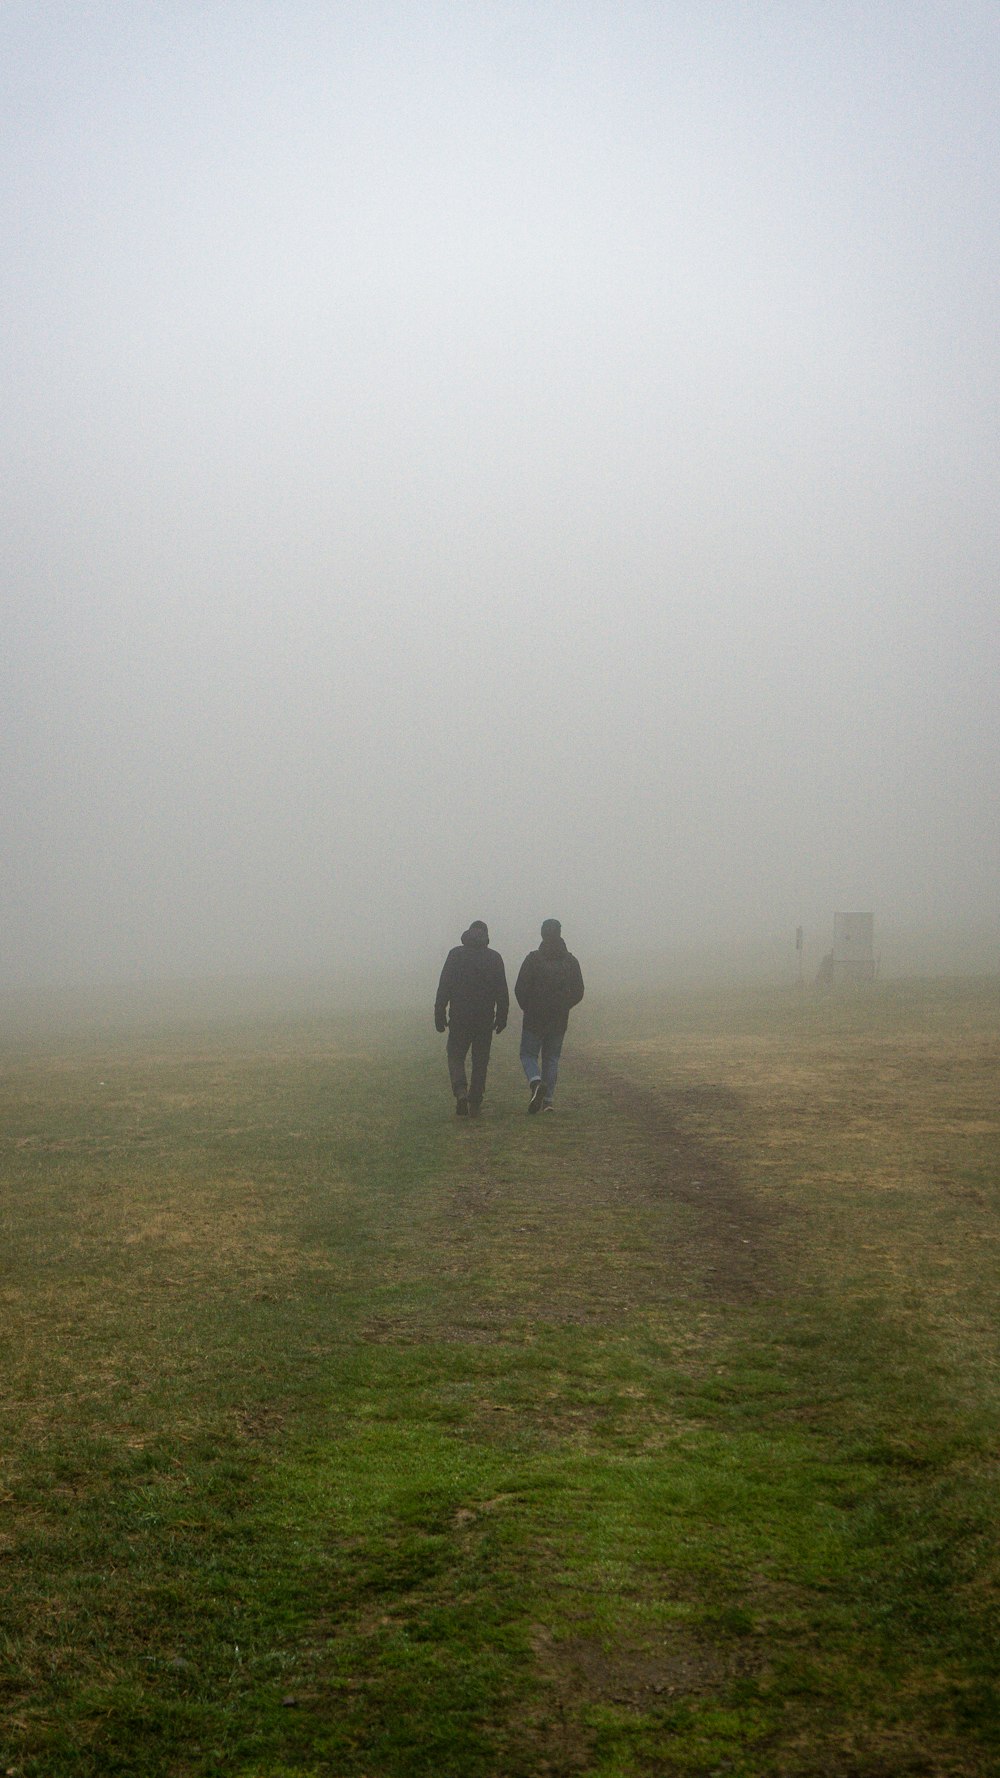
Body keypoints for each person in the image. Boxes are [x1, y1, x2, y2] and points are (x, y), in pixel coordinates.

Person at [434, 921, 509, 1117]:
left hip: (459, 1016)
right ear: (486, 935)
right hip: (484, 1018)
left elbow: (444, 985)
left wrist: (439, 1011)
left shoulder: (455, 955)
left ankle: (460, 1091)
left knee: (455, 1055)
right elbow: (502, 991)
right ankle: (475, 1100)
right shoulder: (494, 958)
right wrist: (502, 1016)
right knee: (480, 1059)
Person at [514, 918, 584, 1113]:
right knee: (551, 1058)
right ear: (560, 933)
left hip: (534, 1018)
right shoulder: (570, 961)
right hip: (559, 1019)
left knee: (527, 1054)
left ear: (542, 934)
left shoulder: (532, 959)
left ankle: (536, 1083)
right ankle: (548, 1101)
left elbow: (520, 988)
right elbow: (579, 991)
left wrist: (527, 1007)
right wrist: (564, 1006)